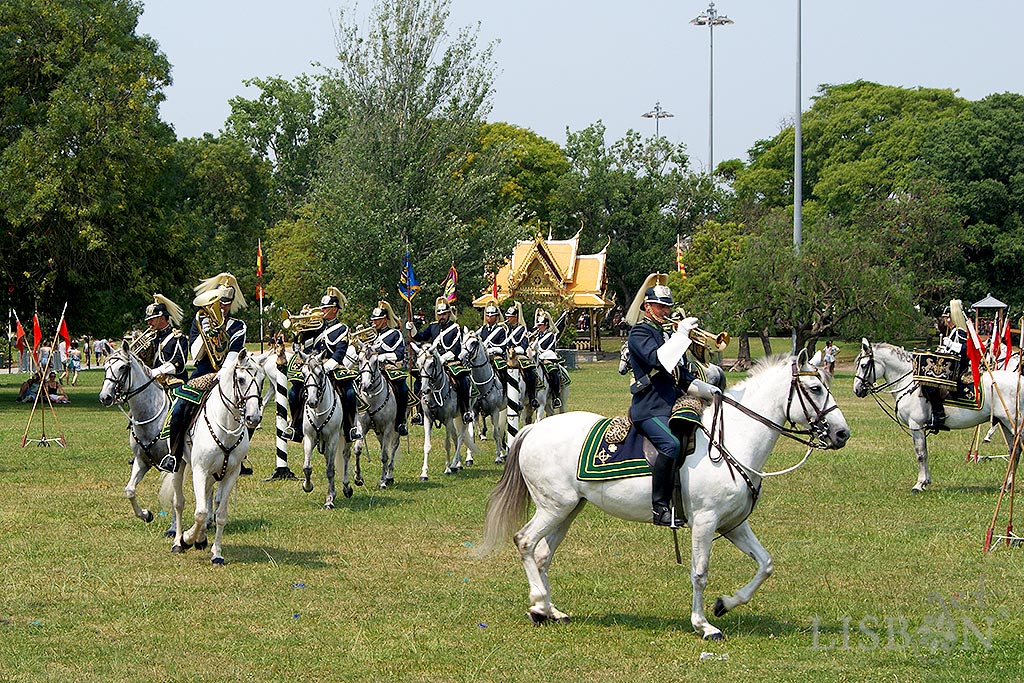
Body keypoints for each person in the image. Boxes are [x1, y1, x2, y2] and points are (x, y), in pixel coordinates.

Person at [626, 273, 721, 527]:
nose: (665, 310)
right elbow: (659, 360)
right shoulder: (639, 333)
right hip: (648, 407)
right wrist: (681, 336)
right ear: (647, 307)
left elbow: (685, 378)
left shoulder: (668, 337)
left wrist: (712, 392)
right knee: (669, 445)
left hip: (671, 404)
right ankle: (659, 507)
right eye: (660, 306)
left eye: (667, 305)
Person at [161, 273, 248, 473]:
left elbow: (234, 352)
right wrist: (205, 334)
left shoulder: (238, 326)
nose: (223, 307)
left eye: (226, 303)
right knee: (179, 407)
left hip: (228, 374)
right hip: (202, 373)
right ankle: (173, 455)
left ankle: (241, 457)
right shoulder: (200, 321)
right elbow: (195, 353)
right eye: (220, 302)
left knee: (249, 408)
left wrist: (224, 374)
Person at [407, 297, 473, 424]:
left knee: (462, 382)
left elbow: (456, 348)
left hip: (450, 362)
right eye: (439, 314)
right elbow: (420, 337)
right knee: (419, 382)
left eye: (443, 314)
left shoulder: (455, 328)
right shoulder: (433, 327)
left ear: (448, 314)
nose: (441, 316)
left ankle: (465, 411)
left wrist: (443, 358)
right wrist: (412, 328)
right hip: (433, 363)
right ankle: (419, 413)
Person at [922, 299, 969, 433]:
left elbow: (964, 349)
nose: (946, 321)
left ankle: (939, 414)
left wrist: (949, 344)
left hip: (956, 368)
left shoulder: (960, 331)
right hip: (951, 366)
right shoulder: (954, 331)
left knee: (929, 384)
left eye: (947, 318)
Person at [369, 299, 410, 436]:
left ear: (384, 320)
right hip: (373, 369)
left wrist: (384, 356)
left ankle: (400, 421)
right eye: (373, 320)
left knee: (402, 389)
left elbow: (399, 354)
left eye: (377, 320)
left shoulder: (395, 334)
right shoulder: (372, 336)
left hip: (389, 368)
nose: (374, 322)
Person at [143, 294, 189, 385]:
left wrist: (158, 371)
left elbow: (179, 364)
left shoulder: (178, 338)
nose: (149, 322)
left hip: (173, 381)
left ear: (162, 318)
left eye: (152, 319)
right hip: (152, 382)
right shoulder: (151, 338)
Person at [504, 302, 539, 408]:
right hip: (507, 355)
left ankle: (532, 397)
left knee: (530, 372)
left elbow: (524, 345)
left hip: (519, 355)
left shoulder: (522, 329)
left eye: (510, 317)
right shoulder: (506, 329)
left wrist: (515, 350)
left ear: (515, 317)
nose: (508, 319)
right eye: (507, 317)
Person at [533, 309, 565, 409]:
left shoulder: (551, 335)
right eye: (538, 325)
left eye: (540, 325)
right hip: (537, 359)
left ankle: (555, 397)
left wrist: (542, 356)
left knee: (553, 373)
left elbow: (551, 349)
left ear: (545, 325)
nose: (538, 327)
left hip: (548, 359)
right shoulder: (537, 336)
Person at [477, 303, 510, 389]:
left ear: (496, 317)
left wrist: (491, 350)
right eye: (487, 315)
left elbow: (502, 347)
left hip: (496, 357)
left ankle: (505, 390)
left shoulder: (501, 330)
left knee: (503, 371)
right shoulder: (483, 329)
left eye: (492, 316)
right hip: (483, 357)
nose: (489, 317)